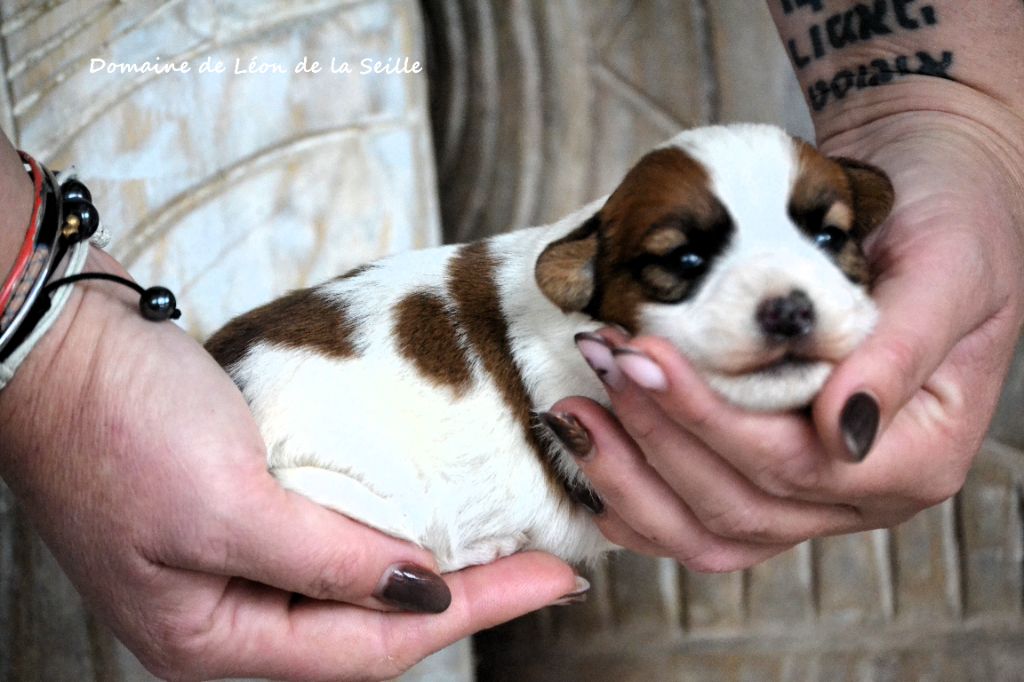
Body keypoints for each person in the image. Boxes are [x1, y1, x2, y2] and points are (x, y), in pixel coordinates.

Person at [1, 1, 1021, 679]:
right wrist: (54, 350)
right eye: (686, 263)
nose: (787, 299)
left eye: (826, 239)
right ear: (584, 284)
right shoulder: (562, 304)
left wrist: (946, 109)